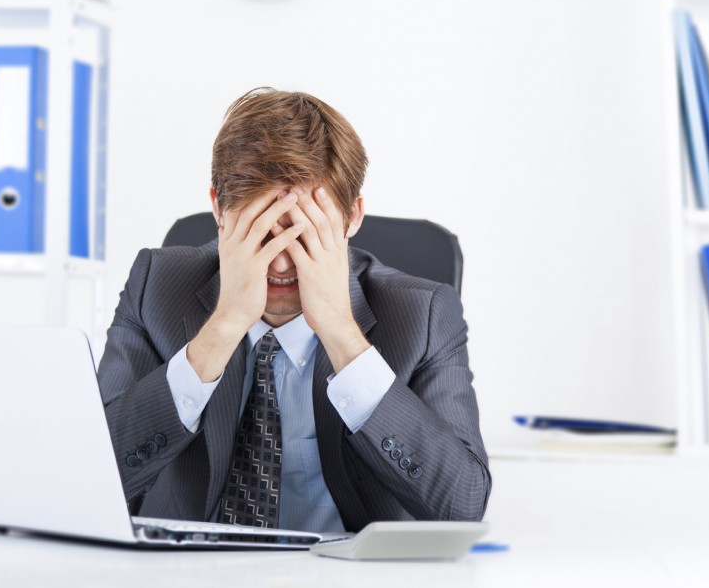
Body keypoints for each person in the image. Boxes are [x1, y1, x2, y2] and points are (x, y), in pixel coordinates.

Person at [97, 88, 490, 533]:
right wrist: (222, 328)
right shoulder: (156, 285)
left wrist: (343, 335)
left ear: (352, 218)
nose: (281, 264)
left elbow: (462, 506)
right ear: (219, 211)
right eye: (262, 233)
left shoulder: (425, 314)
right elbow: (88, 479)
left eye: (302, 236)